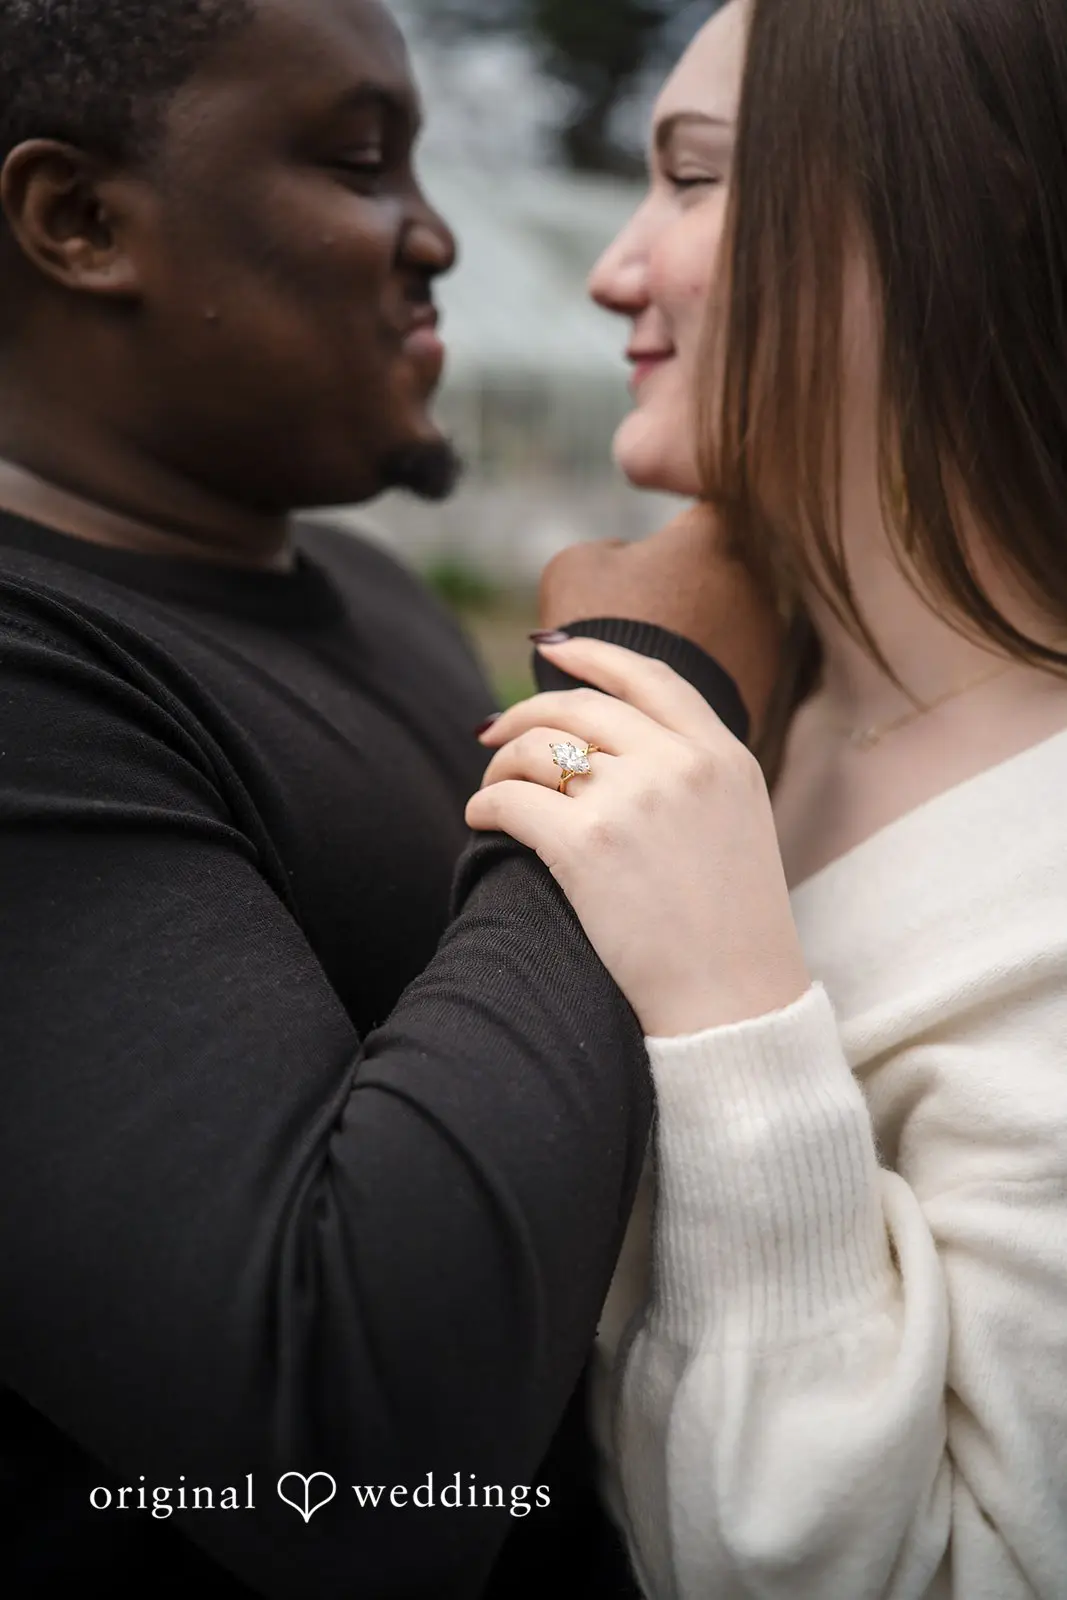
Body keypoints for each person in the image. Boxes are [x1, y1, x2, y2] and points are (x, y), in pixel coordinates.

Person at [0, 2, 784, 1596]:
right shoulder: (31, 676)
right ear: (79, 221)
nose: (433, 232)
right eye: (361, 162)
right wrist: (639, 694)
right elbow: (350, 1460)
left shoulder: (365, 593)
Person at [472, 0, 1067, 1594]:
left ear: (958, 204)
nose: (614, 271)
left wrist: (732, 999)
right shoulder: (763, 689)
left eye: (692, 177)